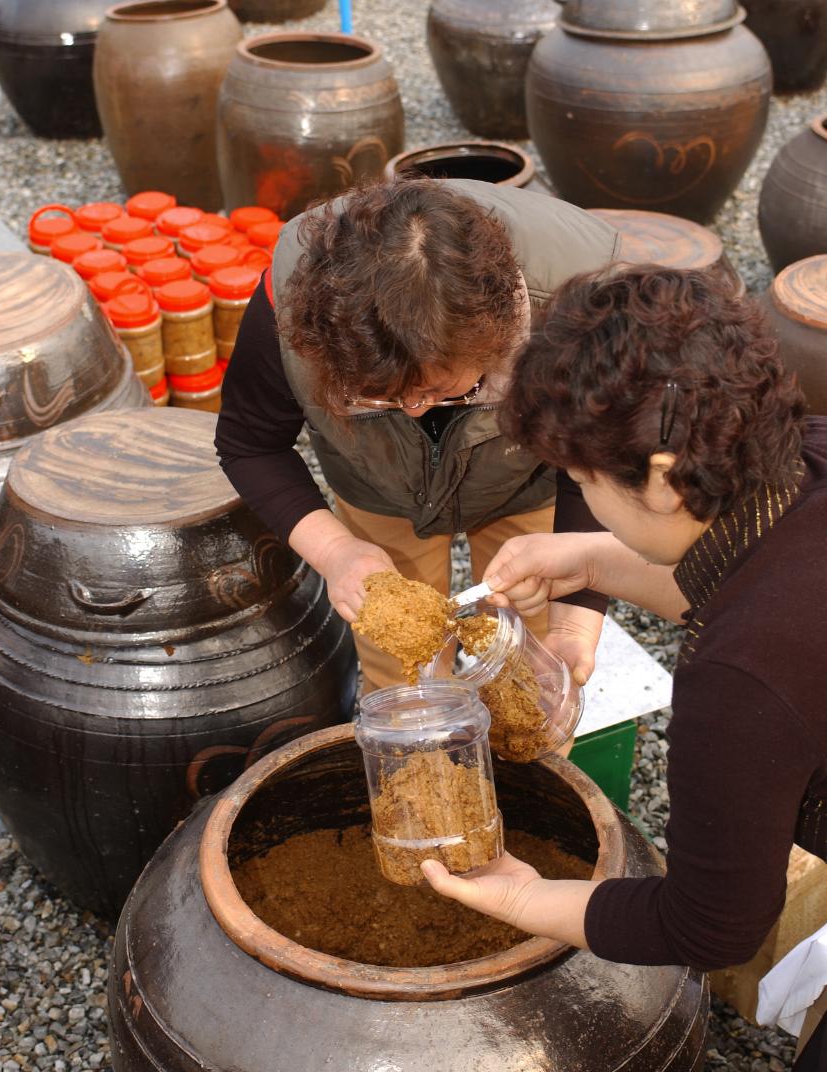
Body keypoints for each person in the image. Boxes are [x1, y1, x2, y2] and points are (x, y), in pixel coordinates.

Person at [420, 265, 827, 1072]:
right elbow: (762, 583)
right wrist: (594, 561)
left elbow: (713, 925)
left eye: (584, 485)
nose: (580, 500)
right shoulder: (806, 456)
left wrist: (528, 898)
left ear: (666, 475)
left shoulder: (737, 683)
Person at [216, 175, 620, 691]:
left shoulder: (580, 299)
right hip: (375, 481)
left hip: (526, 476)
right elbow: (249, 444)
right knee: (399, 663)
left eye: (440, 391)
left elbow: (598, 462)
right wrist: (337, 553)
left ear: (497, 340)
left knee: (531, 657)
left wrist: (575, 618)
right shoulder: (293, 301)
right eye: (380, 396)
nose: (411, 410)